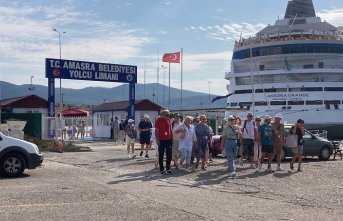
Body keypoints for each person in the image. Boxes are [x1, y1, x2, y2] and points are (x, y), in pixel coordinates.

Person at [155, 110, 173, 175]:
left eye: (169, 115)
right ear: (162, 114)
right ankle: (162, 169)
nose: (168, 116)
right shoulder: (158, 120)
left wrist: (171, 139)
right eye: (166, 115)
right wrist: (157, 139)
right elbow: (156, 130)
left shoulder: (169, 120)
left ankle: (168, 168)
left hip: (168, 139)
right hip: (161, 140)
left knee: (169, 155)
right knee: (161, 155)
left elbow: (170, 130)